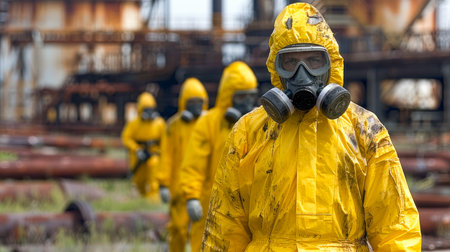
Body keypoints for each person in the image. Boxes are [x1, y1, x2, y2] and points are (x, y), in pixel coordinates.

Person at [202, 3, 421, 251]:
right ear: (276, 67)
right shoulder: (249, 132)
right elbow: (225, 227)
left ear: (332, 64)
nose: (302, 75)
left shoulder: (364, 130)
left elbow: (395, 226)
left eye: (314, 61)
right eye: (291, 62)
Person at [179, 61, 258, 252]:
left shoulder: (259, 123)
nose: (247, 101)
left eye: (251, 96)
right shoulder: (208, 123)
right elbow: (194, 164)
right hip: (212, 205)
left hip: (252, 205)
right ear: (227, 97)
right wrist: (191, 196)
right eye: (241, 96)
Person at [158, 77, 209, 252]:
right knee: (178, 230)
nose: (196, 106)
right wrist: (163, 183)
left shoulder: (207, 124)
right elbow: (166, 156)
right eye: (191, 102)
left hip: (203, 188)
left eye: (199, 102)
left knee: (201, 233)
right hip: (178, 188)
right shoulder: (173, 126)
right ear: (183, 103)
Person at [121, 92, 166, 200]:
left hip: (153, 154)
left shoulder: (159, 123)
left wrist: (160, 151)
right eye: (146, 109)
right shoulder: (134, 124)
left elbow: (165, 140)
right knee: (139, 180)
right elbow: (126, 138)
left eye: (151, 109)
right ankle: (142, 197)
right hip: (139, 157)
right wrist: (136, 149)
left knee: (153, 176)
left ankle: (153, 197)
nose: (149, 112)